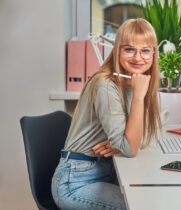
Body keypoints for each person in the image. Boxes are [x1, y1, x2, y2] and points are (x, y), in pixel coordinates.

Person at [51, 18, 162, 210]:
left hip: (103, 173)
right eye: (129, 49)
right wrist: (138, 97)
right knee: (140, 205)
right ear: (117, 50)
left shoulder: (130, 82)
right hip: (75, 183)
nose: (138, 58)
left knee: (156, 197)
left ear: (153, 53)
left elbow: (132, 141)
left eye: (145, 50)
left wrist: (120, 144)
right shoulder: (106, 85)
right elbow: (130, 148)